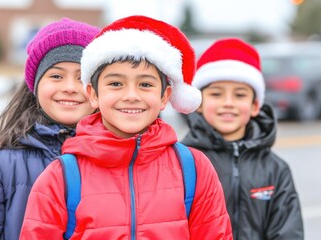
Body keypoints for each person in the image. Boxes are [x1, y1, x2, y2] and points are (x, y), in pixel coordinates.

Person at [19, 15, 232, 239]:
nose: (131, 96)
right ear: (93, 94)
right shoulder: (60, 176)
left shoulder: (194, 169)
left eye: (145, 84)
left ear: (164, 96)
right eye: (116, 83)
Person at [0, 18, 100, 240]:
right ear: (35, 85)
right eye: (56, 76)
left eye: (82, 78)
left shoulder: (122, 158)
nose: (70, 88)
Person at [182, 38, 304, 239]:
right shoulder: (183, 163)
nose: (228, 103)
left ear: (255, 105)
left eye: (239, 95)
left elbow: (288, 232)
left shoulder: (275, 169)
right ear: (199, 103)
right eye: (216, 94)